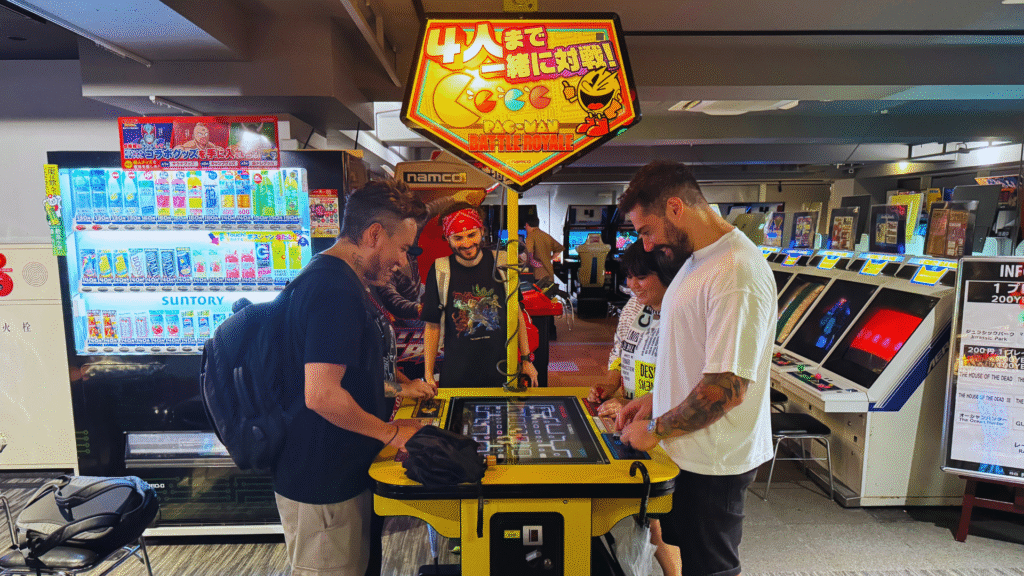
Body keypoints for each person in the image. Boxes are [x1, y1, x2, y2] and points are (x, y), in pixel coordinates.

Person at [615, 161, 776, 576]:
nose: (646, 246)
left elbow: (725, 389)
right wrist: (653, 401)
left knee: (712, 569)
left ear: (675, 208)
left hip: (715, 460)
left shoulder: (735, 271)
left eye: (646, 231)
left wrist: (653, 430)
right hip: (686, 450)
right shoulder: (694, 261)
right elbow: (693, 357)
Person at [272, 179, 426, 576]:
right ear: (374, 234)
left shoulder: (336, 279)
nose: (403, 262)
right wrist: (390, 434)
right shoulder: (333, 288)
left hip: (338, 473)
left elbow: (351, 374)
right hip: (323, 481)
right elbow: (321, 394)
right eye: (403, 248)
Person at [587, 240, 683, 576]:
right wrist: (610, 387)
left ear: (666, 275)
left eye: (641, 277)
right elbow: (619, 352)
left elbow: (685, 382)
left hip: (668, 429)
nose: (632, 284)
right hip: (633, 421)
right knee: (650, 516)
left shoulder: (681, 314)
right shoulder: (633, 307)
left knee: (663, 521)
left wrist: (630, 405)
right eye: (629, 276)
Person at [421, 202, 539, 388]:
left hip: (501, 372)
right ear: (447, 238)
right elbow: (432, 326)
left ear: (482, 231)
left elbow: (516, 314)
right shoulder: (440, 270)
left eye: (471, 235)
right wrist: (428, 375)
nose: (467, 244)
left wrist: (526, 360)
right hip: (457, 375)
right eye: (458, 238)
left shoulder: (502, 263)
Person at [523, 214, 563, 283]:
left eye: (525, 226)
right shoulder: (546, 235)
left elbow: (529, 254)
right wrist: (549, 259)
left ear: (527, 225)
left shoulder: (530, 236)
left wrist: (532, 262)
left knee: (538, 293)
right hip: (549, 274)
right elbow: (559, 249)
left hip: (539, 276)